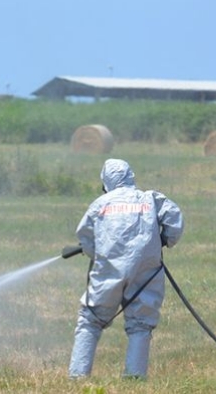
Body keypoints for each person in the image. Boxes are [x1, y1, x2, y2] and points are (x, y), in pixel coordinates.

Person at [67, 158, 184, 379]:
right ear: (131, 176)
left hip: (108, 270)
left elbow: (85, 237)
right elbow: (175, 219)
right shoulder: (150, 198)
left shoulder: (101, 203)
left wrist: (95, 253)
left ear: (106, 182)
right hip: (146, 270)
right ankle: (134, 378)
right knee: (141, 323)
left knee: (90, 320)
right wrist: (165, 239)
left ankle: (77, 376)